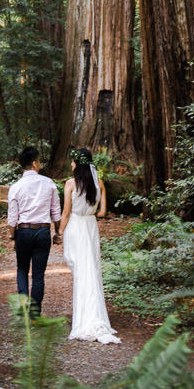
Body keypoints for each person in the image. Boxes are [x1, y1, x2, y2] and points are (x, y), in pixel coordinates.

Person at [60, 147, 120, 343]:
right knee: (91, 269)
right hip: (90, 226)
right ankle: (94, 314)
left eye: (72, 161)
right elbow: (102, 212)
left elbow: (66, 213)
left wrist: (59, 231)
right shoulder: (99, 183)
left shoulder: (70, 184)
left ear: (78, 164)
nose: (70, 164)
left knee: (79, 269)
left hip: (76, 226)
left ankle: (84, 318)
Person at [7, 146, 62, 317]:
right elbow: (56, 212)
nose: (39, 164)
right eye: (38, 161)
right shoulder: (49, 183)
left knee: (22, 269)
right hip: (42, 232)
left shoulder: (15, 187)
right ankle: (35, 313)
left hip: (23, 232)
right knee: (38, 275)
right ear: (34, 163)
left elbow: (12, 217)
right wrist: (58, 233)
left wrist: (12, 236)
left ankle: (23, 309)